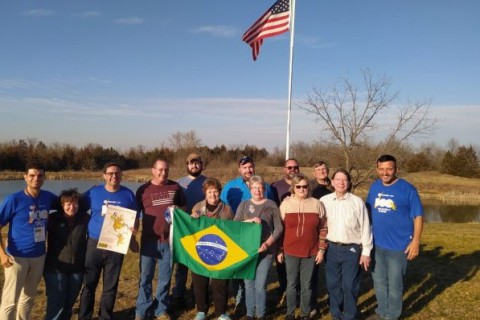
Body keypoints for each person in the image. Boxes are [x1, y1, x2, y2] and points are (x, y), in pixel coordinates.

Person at [78, 162, 139, 320]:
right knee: (89, 285)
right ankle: (84, 316)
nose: (114, 176)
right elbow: (77, 209)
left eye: (117, 173)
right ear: (104, 175)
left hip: (116, 245)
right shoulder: (93, 193)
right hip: (94, 244)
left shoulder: (128, 195)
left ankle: (105, 316)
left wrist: (133, 233)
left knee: (110, 286)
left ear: (121, 175)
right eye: (110, 173)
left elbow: (135, 216)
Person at [366, 155, 423, 320]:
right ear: (377, 170)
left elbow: (418, 216)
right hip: (376, 244)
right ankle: (382, 311)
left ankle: (392, 315)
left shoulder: (407, 189)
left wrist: (416, 241)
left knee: (395, 284)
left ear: (396, 169)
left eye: (389, 169)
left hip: (399, 246)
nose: (385, 173)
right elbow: (368, 211)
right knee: (379, 281)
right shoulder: (375, 187)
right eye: (382, 169)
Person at [0, 162, 57, 320]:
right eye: (31, 175)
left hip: (39, 256)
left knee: (28, 298)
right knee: (10, 300)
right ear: (25, 177)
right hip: (16, 257)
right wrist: (2, 255)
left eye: (39, 175)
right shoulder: (14, 199)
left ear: (44, 178)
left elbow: (69, 205)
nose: (35, 179)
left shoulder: (48, 197)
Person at [220, 156, 275, 313]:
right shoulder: (231, 187)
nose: (248, 170)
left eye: (250, 167)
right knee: (239, 273)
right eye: (244, 167)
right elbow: (223, 209)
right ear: (239, 169)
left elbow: (270, 209)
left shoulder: (265, 187)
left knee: (255, 277)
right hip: (239, 235)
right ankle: (240, 302)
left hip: (261, 237)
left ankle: (256, 308)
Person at [135, 158, 186, 320]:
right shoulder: (143, 190)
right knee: (146, 278)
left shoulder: (175, 187)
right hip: (149, 241)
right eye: (160, 170)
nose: (163, 173)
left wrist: (178, 208)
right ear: (153, 170)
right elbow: (134, 214)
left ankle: (161, 310)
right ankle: (142, 311)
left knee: (165, 277)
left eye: (166, 170)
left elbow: (184, 207)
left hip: (169, 241)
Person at [320, 168, 373, 320]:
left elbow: (365, 227)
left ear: (349, 183)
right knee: (333, 284)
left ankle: (350, 315)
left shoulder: (357, 202)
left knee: (350, 285)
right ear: (332, 182)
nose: (341, 182)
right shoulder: (324, 201)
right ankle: (336, 314)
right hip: (331, 248)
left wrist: (366, 252)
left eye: (344, 180)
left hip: (351, 249)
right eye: (338, 179)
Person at [277, 173, 327, 320]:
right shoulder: (286, 204)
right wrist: (280, 250)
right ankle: (290, 313)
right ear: (293, 188)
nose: (302, 189)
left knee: (307, 285)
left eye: (305, 186)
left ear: (309, 187)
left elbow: (323, 229)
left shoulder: (317, 204)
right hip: (290, 250)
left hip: (311, 251)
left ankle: (305, 313)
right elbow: (281, 230)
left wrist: (321, 250)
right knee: (291, 284)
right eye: (298, 186)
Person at [234, 175, 283, 320]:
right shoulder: (243, 205)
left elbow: (279, 228)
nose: (257, 190)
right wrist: (249, 221)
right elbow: (235, 225)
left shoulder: (271, 205)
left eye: (260, 187)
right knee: (249, 284)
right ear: (250, 189)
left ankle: (261, 314)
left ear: (264, 188)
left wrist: (268, 243)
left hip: (266, 250)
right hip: (248, 250)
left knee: (260, 285)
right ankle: (250, 313)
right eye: (254, 188)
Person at [190, 178, 234, 320]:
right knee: (199, 281)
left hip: (220, 251)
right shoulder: (197, 207)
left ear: (220, 192)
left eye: (215, 191)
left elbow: (233, 231)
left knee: (220, 282)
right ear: (205, 193)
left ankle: (221, 312)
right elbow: (191, 229)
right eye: (210, 192)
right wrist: (193, 218)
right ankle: (201, 311)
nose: (213, 195)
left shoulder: (227, 210)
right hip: (201, 250)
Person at [44, 189, 89, 320]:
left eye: (75, 204)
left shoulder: (85, 218)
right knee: (56, 302)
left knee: (69, 302)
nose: (72, 207)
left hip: (77, 268)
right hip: (55, 267)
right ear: (62, 205)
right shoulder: (52, 219)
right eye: (68, 204)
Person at [172, 153, 207, 307]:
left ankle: (197, 294)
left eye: (197, 163)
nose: (194, 166)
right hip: (183, 229)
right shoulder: (179, 183)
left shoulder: (207, 182)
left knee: (199, 263)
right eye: (191, 163)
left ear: (201, 164)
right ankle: (179, 295)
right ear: (187, 165)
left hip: (201, 229)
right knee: (181, 265)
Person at [270, 158, 300, 306]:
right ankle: (283, 288)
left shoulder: (302, 185)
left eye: (295, 167)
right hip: (281, 228)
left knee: (297, 263)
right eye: (289, 167)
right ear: (284, 169)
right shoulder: (275, 186)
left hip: (298, 231)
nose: (292, 170)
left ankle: (297, 291)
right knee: (281, 263)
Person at [309, 160, 333, 316]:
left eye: (324, 169)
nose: (322, 171)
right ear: (314, 173)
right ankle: (312, 304)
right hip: (316, 234)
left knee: (333, 272)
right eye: (319, 169)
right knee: (312, 272)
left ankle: (334, 301)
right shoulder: (310, 189)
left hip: (335, 233)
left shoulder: (337, 184)